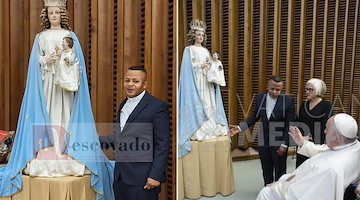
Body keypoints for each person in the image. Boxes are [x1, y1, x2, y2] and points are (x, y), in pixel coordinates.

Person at [0, 1, 114, 199]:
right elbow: (36, 61)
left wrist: (67, 59)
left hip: (65, 86)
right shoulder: (41, 37)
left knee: (66, 114)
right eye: (51, 13)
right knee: (49, 114)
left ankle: (68, 153)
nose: (54, 16)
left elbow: (77, 61)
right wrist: (46, 60)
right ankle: (46, 153)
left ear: (62, 14)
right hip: (47, 85)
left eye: (57, 12)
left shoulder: (70, 36)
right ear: (46, 15)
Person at [99, 66, 170, 200]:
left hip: (143, 178)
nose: (130, 84)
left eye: (135, 81)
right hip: (120, 177)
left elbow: (163, 144)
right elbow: (120, 137)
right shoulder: (123, 105)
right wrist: (95, 141)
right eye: (127, 80)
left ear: (144, 85)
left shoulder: (157, 106)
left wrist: (155, 175)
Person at [256, 113, 360, 200]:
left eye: (327, 128)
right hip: (310, 180)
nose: (324, 131)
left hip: (303, 188)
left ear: (336, 138)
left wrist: (276, 186)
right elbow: (323, 150)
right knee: (284, 177)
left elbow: (296, 194)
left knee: (265, 193)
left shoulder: (329, 169)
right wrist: (302, 142)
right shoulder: (354, 146)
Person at [229, 75, 295, 185]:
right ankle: (267, 190)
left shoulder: (288, 100)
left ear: (282, 89)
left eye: (278, 90)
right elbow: (255, 116)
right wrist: (241, 127)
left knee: (280, 170)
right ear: (267, 86)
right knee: (266, 168)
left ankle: (279, 193)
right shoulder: (260, 97)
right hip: (263, 139)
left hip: (279, 140)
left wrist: (284, 144)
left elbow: (290, 124)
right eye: (272, 89)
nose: (274, 92)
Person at [178, 19, 228, 157]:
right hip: (196, 82)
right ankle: (198, 128)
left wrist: (214, 63)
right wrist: (201, 66)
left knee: (209, 104)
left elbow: (211, 67)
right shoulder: (189, 50)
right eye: (198, 34)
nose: (200, 37)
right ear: (193, 35)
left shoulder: (205, 50)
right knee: (200, 103)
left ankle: (210, 126)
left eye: (202, 35)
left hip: (206, 82)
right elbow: (187, 68)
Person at [295, 78, 333, 167]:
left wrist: (309, 137)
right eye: (306, 89)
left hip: (317, 142)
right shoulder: (304, 104)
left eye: (310, 89)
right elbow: (299, 121)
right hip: (302, 141)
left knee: (314, 167)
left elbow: (325, 125)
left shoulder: (326, 105)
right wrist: (299, 136)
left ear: (318, 90)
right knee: (301, 167)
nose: (307, 92)